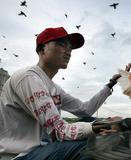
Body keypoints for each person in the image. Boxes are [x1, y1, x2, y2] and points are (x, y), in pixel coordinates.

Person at [0, 27, 123, 160]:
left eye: (70, 47)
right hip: (21, 155)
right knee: (95, 144)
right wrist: (101, 127)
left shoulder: (53, 87)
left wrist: (110, 85)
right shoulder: (28, 78)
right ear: (42, 50)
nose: (68, 51)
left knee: (91, 121)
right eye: (61, 44)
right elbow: (58, 129)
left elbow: (85, 110)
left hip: (44, 148)